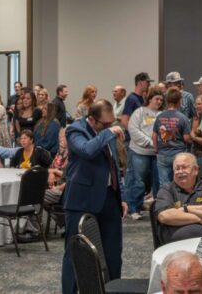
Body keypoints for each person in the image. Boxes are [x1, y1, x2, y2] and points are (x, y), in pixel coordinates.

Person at [60, 99, 126, 294]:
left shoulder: (106, 130)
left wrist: (120, 196)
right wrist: (108, 133)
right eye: (105, 124)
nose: (110, 126)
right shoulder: (75, 130)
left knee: (114, 253)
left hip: (109, 197)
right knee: (75, 252)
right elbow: (87, 150)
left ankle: (114, 289)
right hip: (81, 199)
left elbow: (114, 165)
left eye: (112, 123)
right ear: (92, 120)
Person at [153, 153, 202, 243]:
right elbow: (164, 216)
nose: (180, 171)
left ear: (195, 170)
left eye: (184, 167)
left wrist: (186, 208)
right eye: (177, 168)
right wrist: (200, 219)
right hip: (175, 233)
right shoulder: (167, 190)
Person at [123, 88, 162, 219]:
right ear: (150, 98)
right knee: (138, 182)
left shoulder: (162, 114)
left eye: (161, 100)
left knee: (157, 183)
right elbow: (133, 130)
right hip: (139, 152)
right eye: (157, 99)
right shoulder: (139, 112)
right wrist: (151, 142)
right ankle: (134, 209)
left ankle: (158, 209)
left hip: (156, 154)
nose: (159, 101)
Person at [152, 88, 194, 189]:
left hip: (163, 154)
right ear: (179, 101)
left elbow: (154, 135)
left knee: (164, 183)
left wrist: (156, 150)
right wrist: (192, 139)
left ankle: (166, 203)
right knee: (179, 182)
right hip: (178, 154)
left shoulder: (159, 117)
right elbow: (186, 138)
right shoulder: (182, 118)